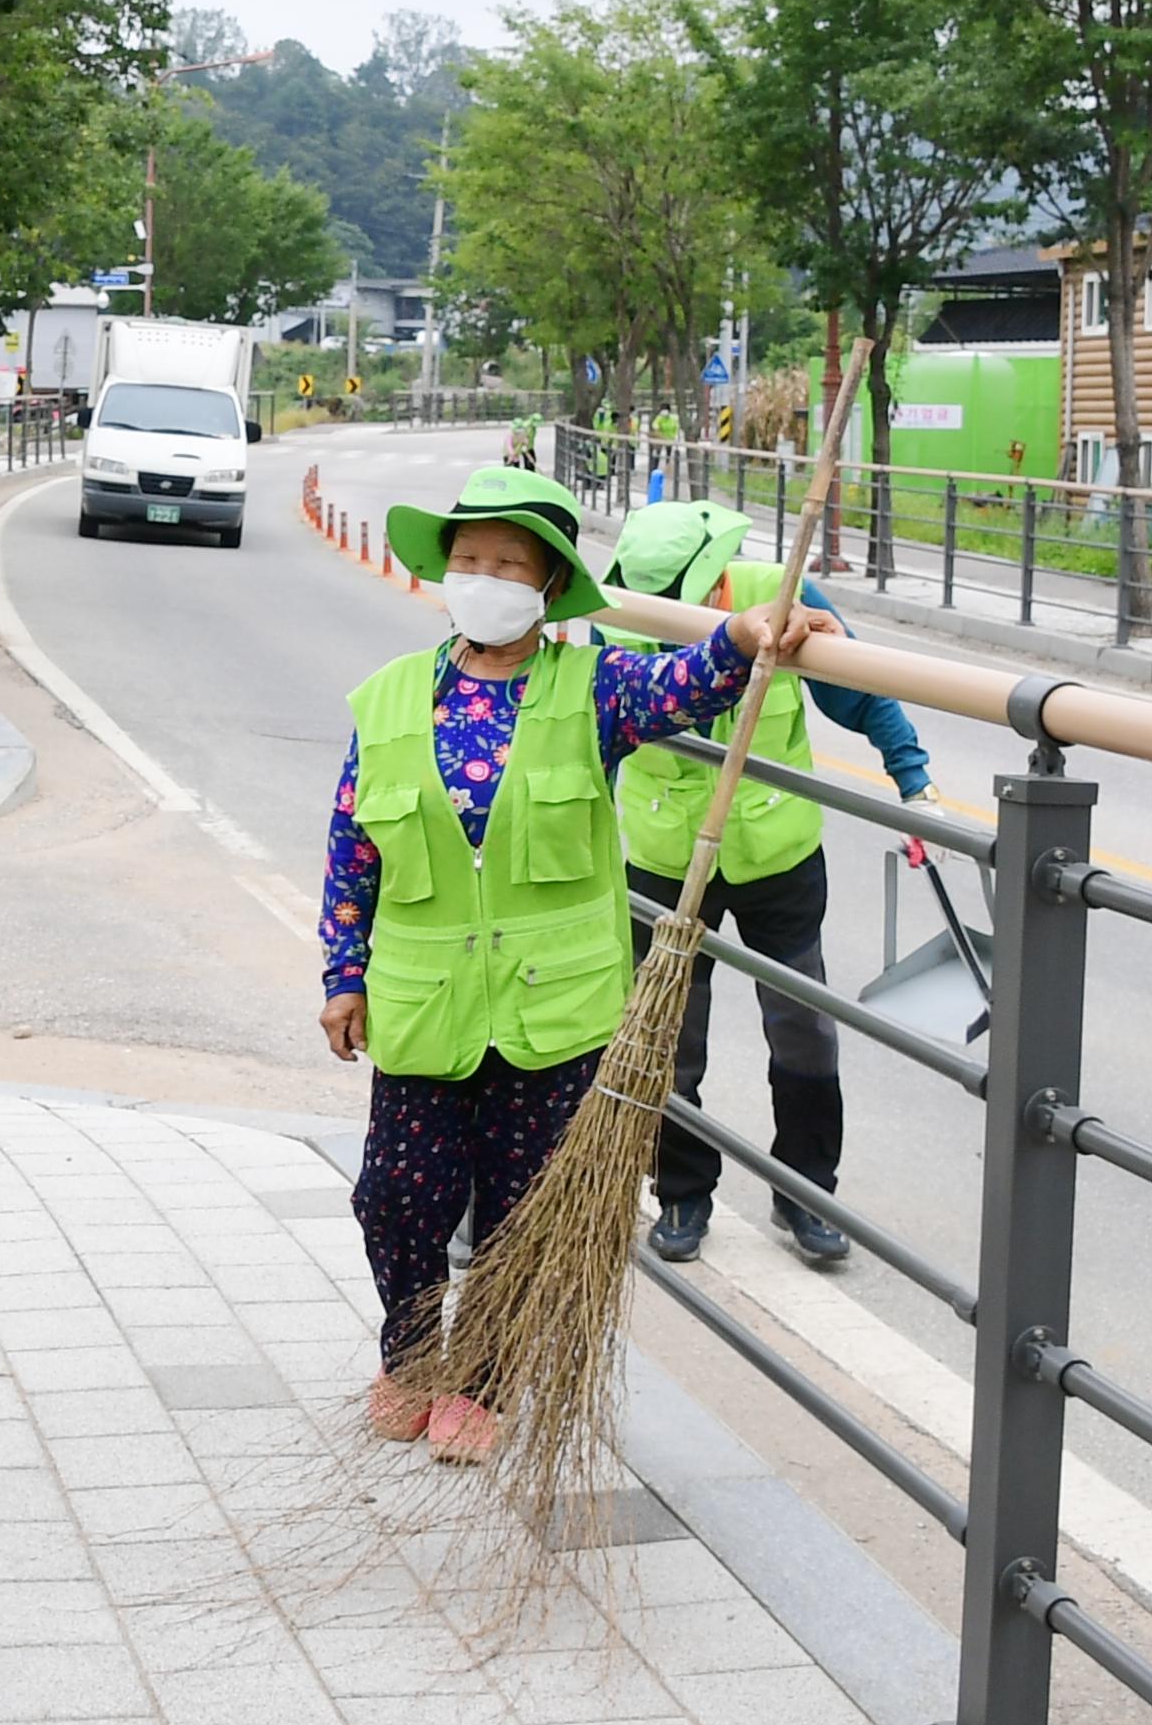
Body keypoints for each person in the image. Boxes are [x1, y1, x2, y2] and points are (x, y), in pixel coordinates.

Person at [318, 466, 837, 1462]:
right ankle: (411, 1349)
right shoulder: (388, 700)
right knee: (397, 1191)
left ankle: (484, 1377)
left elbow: (689, 682)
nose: (483, 577)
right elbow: (353, 844)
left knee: (520, 1204)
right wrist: (343, 970)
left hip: (554, 1012)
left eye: (507, 563)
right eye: (468, 559)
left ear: (548, 585)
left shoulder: (591, 687)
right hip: (424, 1005)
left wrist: (743, 630)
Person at [603, 503, 935, 1267]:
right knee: (667, 1034)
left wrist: (914, 786)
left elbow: (864, 692)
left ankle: (806, 1194)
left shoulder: (781, 596)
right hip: (663, 853)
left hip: (776, 853)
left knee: (803, 1029)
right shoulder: (616, 615)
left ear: (716, 576)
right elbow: (597, 734)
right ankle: (683, 1193)